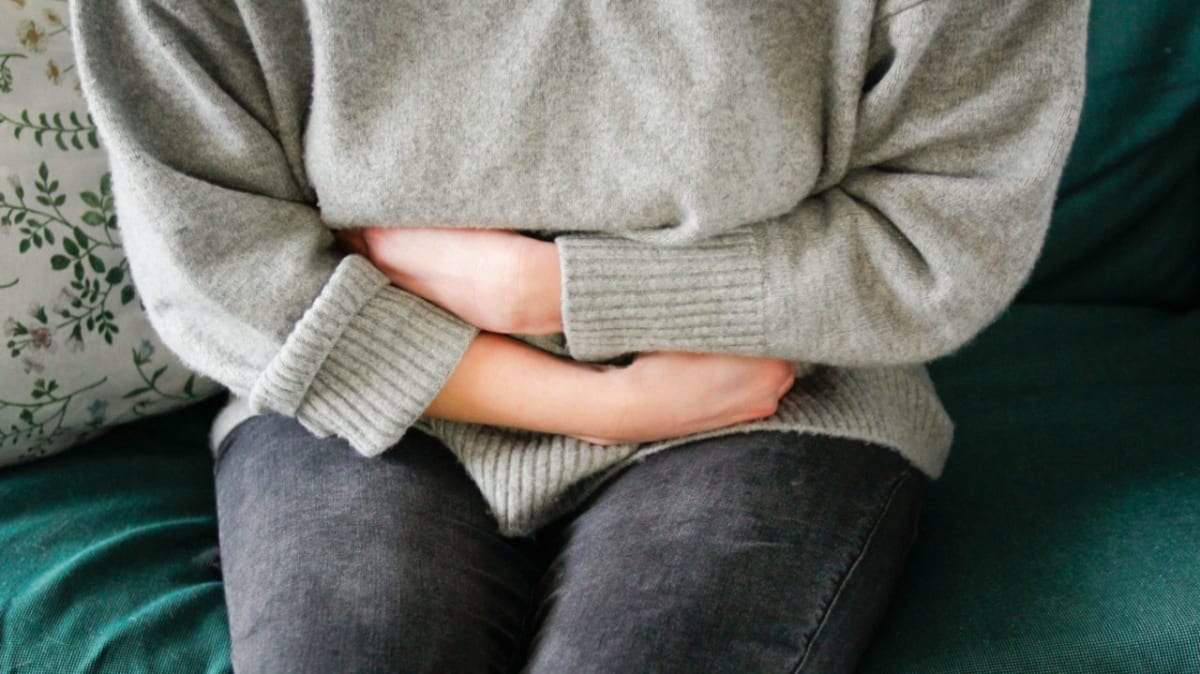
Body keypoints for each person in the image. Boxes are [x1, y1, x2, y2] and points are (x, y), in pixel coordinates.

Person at [69, 1, 1088, 672]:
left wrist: (550, 286)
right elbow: (218, 261)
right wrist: (601, 401)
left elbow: (942, 232)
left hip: (774, 386)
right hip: (359, 391)